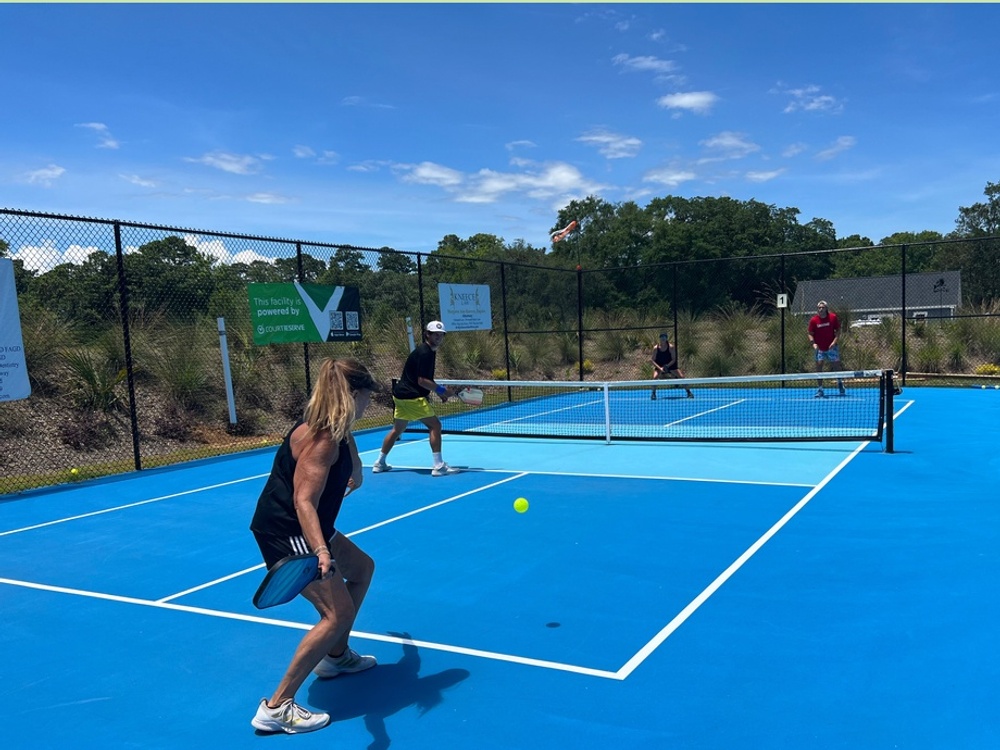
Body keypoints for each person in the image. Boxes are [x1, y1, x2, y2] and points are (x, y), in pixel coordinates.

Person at [249, 357, 381, 734]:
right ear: (354, 395)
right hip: (290, 530)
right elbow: (302, 501)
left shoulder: (334, 429)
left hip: (310, 526)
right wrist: (321, 552)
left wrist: (355, 465)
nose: (370, 403)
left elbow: (345, 434)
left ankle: (336, 657)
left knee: (362, 568)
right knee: (335, 614)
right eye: (368, 396)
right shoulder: (322, 441)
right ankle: (277, 706)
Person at [372, 320, 459, 477]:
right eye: (435, 334)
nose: (438, 337)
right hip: (412, 397)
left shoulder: (427, 351)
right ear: (427, 334)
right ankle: (438, 466)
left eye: (441, 335)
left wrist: (439, 392)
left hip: (400, 395)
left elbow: (423, 380)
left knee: (397, 429)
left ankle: (379, 462)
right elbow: (422, 381)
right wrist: (442, 390)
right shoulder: (425, 353)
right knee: (435, 426)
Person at [807, 300, 847, 397]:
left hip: (831, 348)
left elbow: (838, 331)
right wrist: (814, 344)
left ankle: (840, 383)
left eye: (822, 307)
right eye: (819, 308)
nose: (821, 309)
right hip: (820, 349)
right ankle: (820, 389)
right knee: (819, 367)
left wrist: (834, 342)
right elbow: (810, 334)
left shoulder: (832, 318)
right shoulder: (813, 320)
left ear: (826, 308)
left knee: (836, 366)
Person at [650, 332, 693, 399]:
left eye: (664, 337)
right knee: (654, 377)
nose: (663, 338)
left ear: (666, 338)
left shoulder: (671, 347)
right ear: (660, 338)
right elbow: (652, 360)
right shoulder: (656, 348)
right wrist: (660, 368)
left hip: (671, 365)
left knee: (682, 377)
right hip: (660, 365)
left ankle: (689, 392)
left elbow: (674, 359)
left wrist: (667, 366)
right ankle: (653, 394)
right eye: (661, 337)